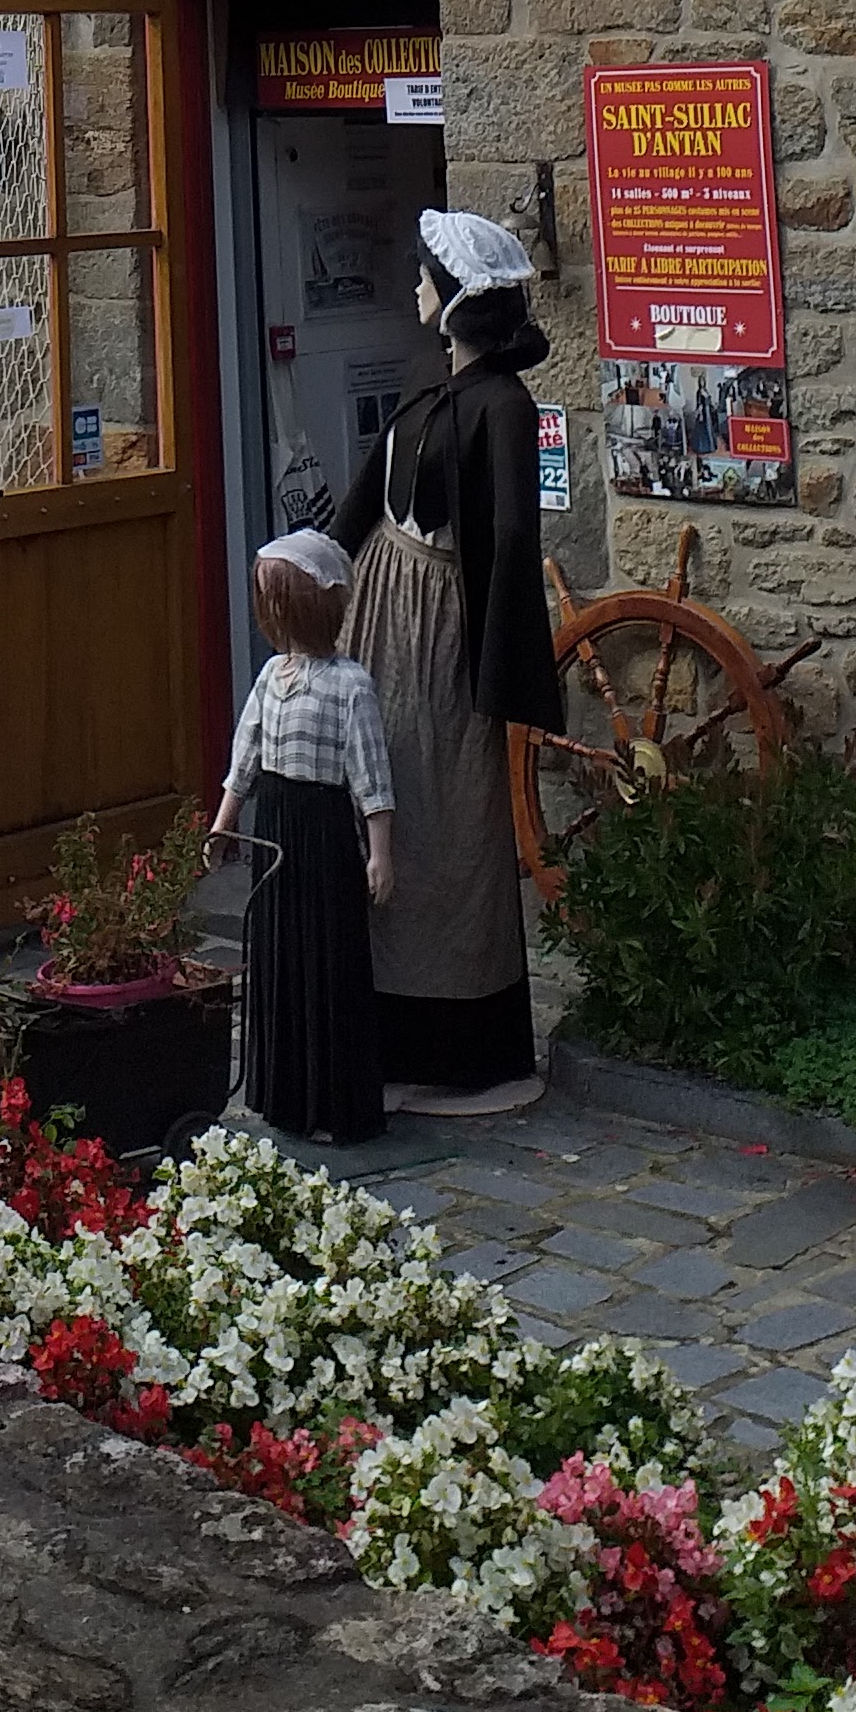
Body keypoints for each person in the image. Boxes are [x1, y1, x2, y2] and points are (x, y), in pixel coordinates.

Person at [333, 207, 563, 1112]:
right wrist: (310, 569)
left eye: (426, 276)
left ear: (460, 297)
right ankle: (385, 1034)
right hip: (378, 616)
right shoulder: (426, 390)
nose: (413, 288)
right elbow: (362, 499)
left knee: (446, 820)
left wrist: (498, 667)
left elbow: (511, 537)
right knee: (382, 795)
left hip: (444, 629)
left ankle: (461, 1049)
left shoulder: (506, 407)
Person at [212, 527, 394, 1144]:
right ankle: (284, 1095)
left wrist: (380, 852)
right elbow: (246, 756)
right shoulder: (270, 677)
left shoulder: (350, 685)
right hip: (276, 830)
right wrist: (224, 823)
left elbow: (371, 775)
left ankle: (334, 1102)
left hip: (323, 834)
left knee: (326, 957)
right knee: (279, 953)